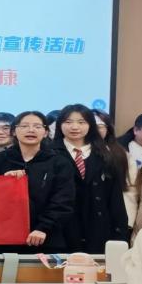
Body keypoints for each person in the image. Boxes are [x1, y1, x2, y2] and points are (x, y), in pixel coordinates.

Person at [0, 111, 75, 251]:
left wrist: (44, 227)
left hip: (45, 237)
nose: (31, 130)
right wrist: (3, 183)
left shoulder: (59, 162)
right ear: (14, 132)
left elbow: (63, 200)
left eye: (37, 126)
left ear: (46, 132)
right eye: (24, 126)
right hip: (1, 237)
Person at [53, 104, 129, 252]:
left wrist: (120, 233)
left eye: (81, 122)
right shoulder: (50, 153)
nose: (74, 127)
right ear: (59, 125)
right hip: (62, 229)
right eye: (68, 122)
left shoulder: (106, 155)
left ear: (90, 125)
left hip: (99, 227)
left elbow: (115, 198)